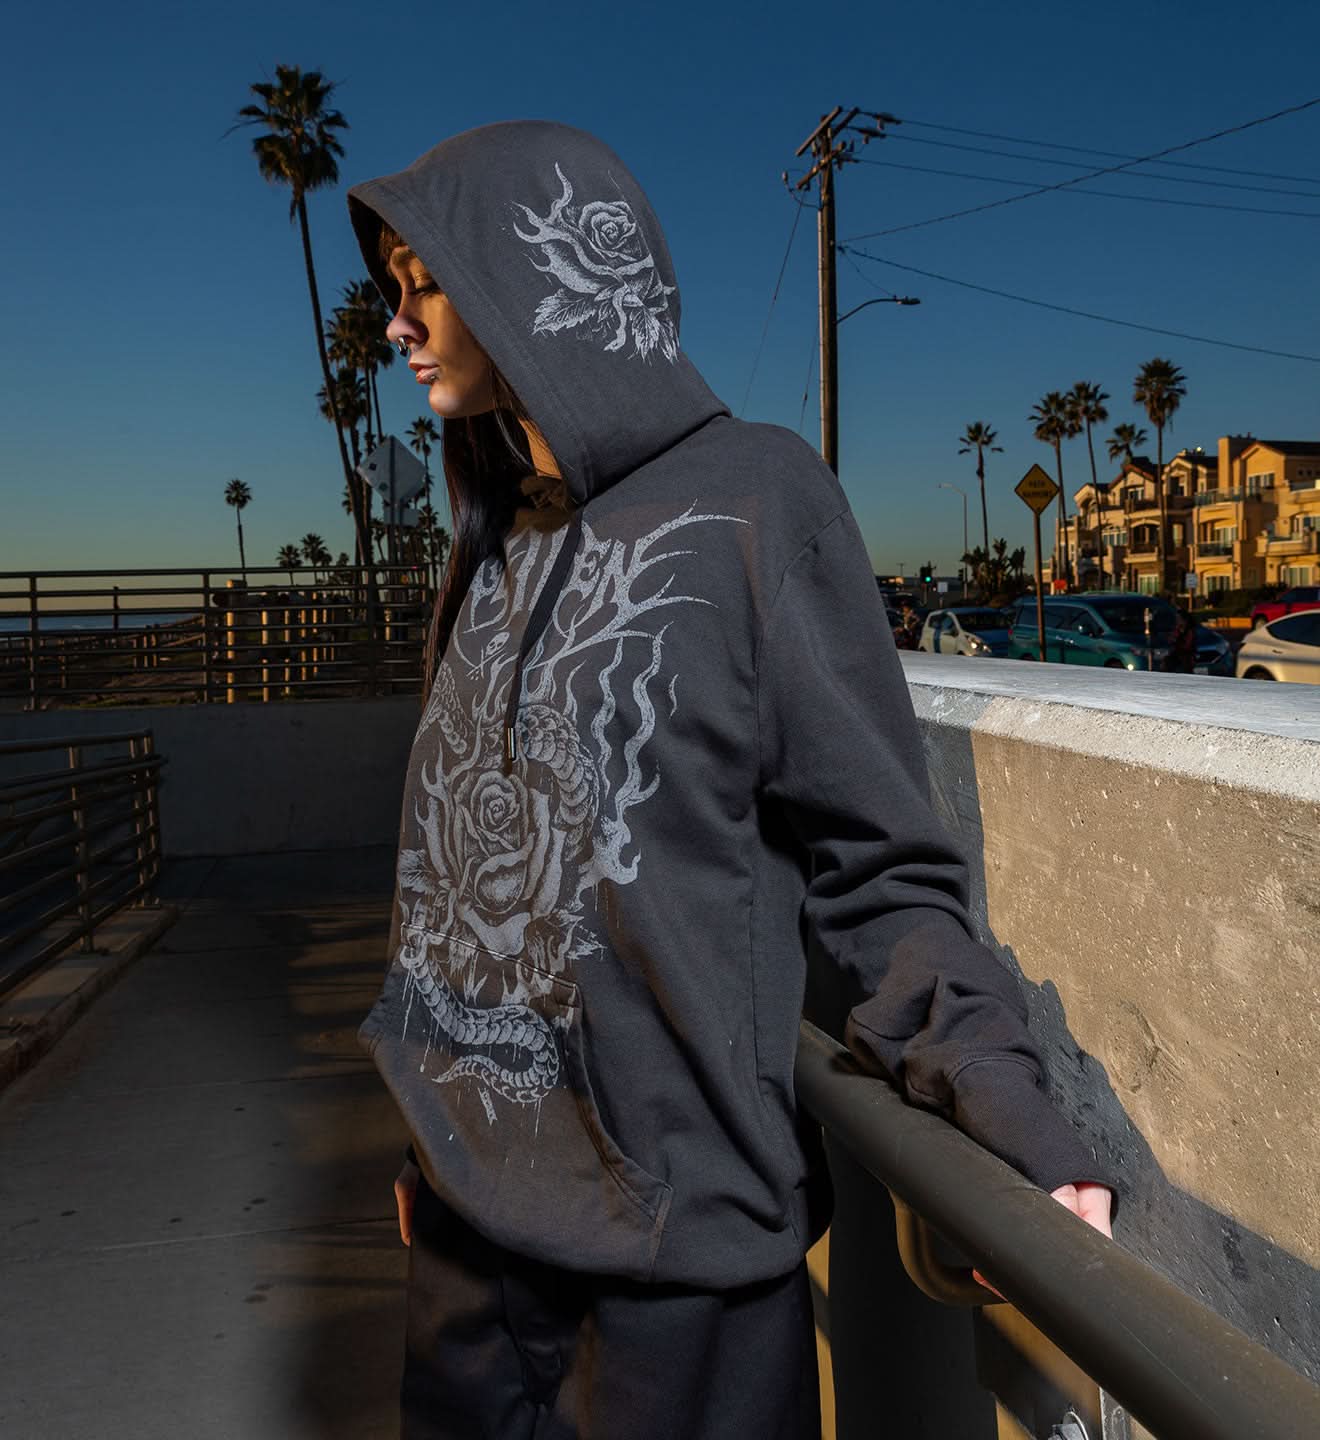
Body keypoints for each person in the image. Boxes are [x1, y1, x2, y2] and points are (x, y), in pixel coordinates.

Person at [346, 121, 1117, 1440]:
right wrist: (435, 1135)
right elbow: (459, 878)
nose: (400, 327)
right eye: (392, 289)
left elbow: (876, 859)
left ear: (536, 280)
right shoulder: (490, 546)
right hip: (470, 1249)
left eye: (428, 282)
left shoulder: (758, 497)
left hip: (679, 1265)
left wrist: (1002, 1103)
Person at [1166, 605, 1198, 673]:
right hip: (1177, 656)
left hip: (1186, 657)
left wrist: (1176, 641)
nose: (1177, 620)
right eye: (1176, 619)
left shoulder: (1189, 631)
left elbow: (1187, 645)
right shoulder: (1177, 629)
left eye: (1178, 618)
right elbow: (1170, 640)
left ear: (1184, 620)